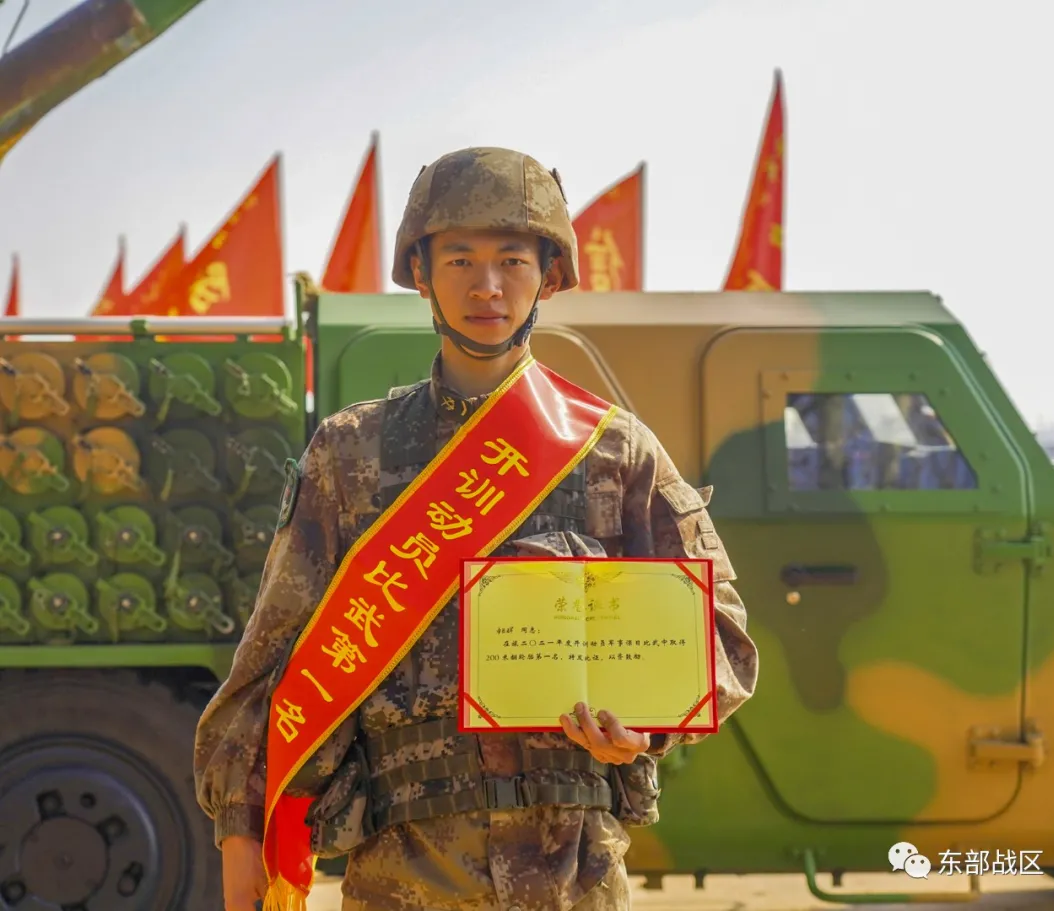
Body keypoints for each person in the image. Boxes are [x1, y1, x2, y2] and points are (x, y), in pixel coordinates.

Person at [193, 146, 759, 911]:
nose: (486, 286)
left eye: (512, 261)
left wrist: (645, 728)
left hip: (574, 875)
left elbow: (720, 638)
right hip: (402, 874)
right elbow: (271, 657)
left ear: (549, 277)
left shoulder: (615, 452)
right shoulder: (350, 452)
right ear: (421, 273)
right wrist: (241, 832)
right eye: (458, 259)